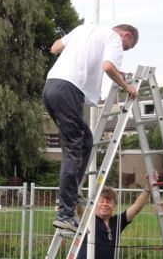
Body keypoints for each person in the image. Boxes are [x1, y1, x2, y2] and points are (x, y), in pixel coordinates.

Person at [44, 23, 140, 232]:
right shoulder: (113, 38)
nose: (123, 50)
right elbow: (107, 67)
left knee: (86, 142)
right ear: (126, 35)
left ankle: (71, 192)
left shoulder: (83, 30)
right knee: (72, 149)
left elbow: (54, 48)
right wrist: (126, 87)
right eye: (127, 47)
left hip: (51, 87)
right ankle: (65, 212)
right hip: (69, 90)